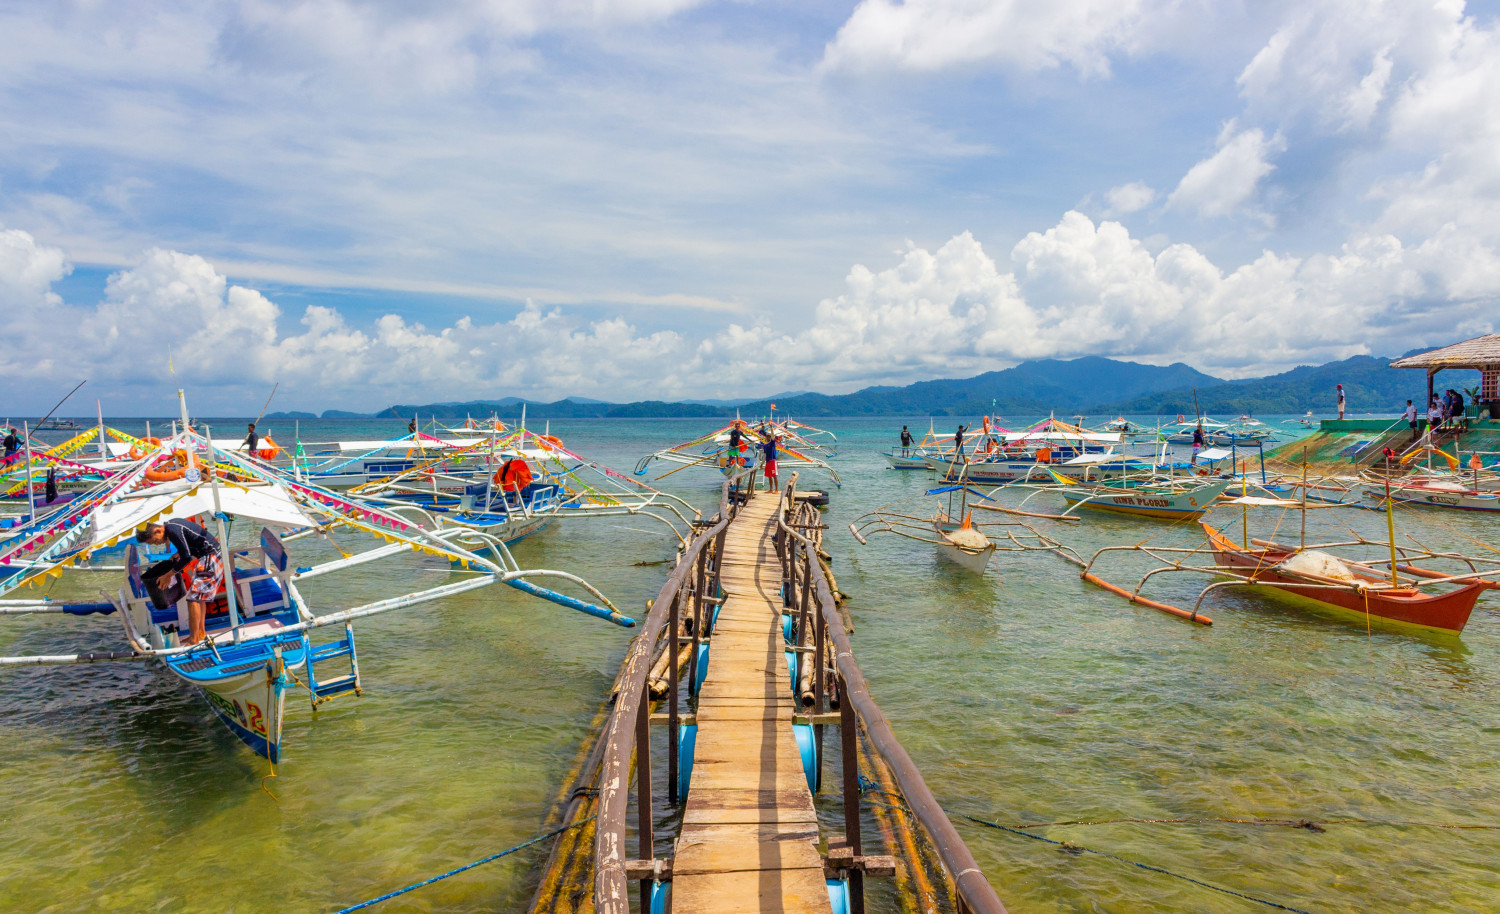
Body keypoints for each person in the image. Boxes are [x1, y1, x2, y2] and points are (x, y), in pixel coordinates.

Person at [136, 519, 223, 646]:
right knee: (199, 598)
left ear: (158, 530)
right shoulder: (173, 526)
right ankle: (200, 633)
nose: (158, 543)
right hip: (211, 557)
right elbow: (190, 547)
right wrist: (178, 554)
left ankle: (194, 639)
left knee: (193, 599)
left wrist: (168, 575)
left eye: (155, 541)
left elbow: (186, 557)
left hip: (210, 558)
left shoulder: (172, 530)